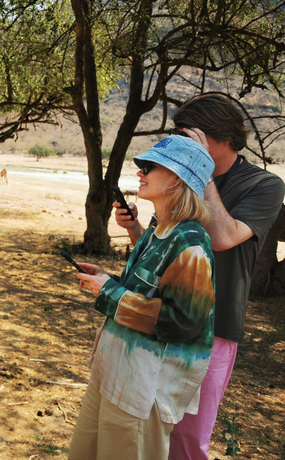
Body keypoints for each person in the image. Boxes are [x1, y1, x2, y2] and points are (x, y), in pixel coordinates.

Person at [113, 94, 285, 460]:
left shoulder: (265, 185)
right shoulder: (183, 176)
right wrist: (135, 229)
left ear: (220, 138)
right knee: (147, 426)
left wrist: (199, 168)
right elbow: (163, 248)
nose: (181, 145)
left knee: (188, 439)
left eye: (189, 136)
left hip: (215, 327)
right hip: (162, 316)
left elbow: (222, 238)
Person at [68, 135, 217, 460]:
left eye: (150, 167)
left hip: (142, 391)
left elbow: (183, 321)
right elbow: (145, 292)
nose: (140, 172)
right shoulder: (157, 231)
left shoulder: (190, 244)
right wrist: (108, 280)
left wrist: (109, 292)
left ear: (177, 178)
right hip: (114, 374)